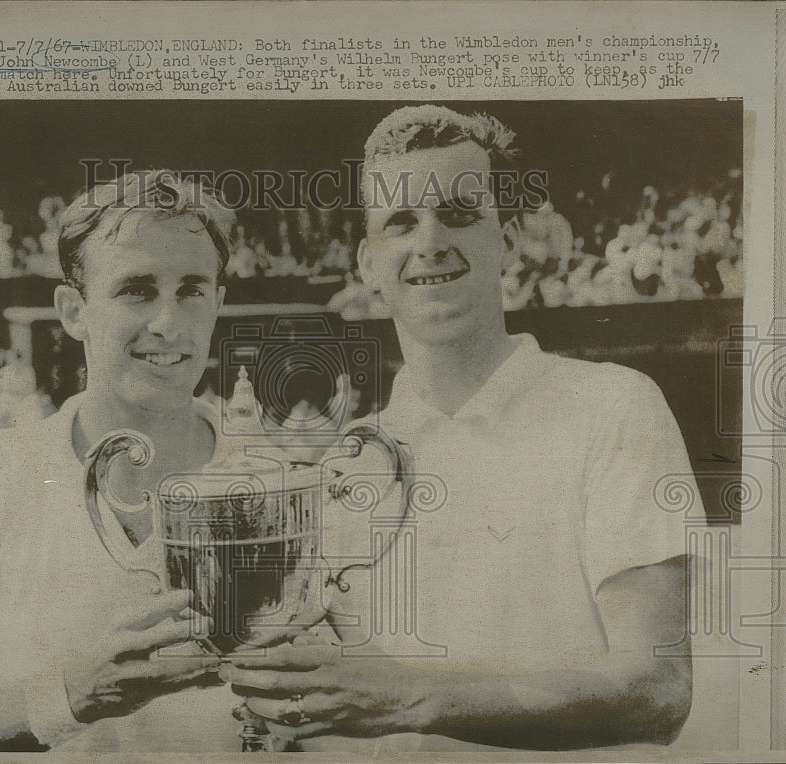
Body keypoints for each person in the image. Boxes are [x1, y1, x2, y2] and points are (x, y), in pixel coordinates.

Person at [222, 105, 698, 752]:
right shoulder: (345, 462)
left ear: (505, 242)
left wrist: (407, 699)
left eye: (458, 213)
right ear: (367, 263)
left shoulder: (614, 408)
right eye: (401, 221)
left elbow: (657, 690)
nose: (428, 241)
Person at [0, 171, 245, 751]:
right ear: (73, 310)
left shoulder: (279, 478)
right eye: (136, 289)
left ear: (216, 303)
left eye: (190, 290)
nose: (167, 323)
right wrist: (64, 696)